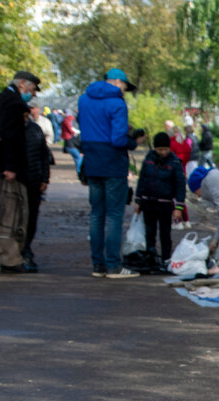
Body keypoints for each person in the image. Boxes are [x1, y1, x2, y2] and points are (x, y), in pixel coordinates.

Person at [79, 67, 146, 278]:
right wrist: (133, 141)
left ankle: (98, 266)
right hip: (113, 164)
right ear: (118, 82)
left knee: (96, 215)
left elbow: (91, 128)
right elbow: (117, 140)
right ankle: (114, 265)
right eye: (125, 87)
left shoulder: (84, 99)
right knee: (114, 216)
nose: (125, 91)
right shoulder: (117, 103)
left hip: (91, 162)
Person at [0, 70, 40, 274]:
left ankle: (10, 257)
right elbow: (11, 138)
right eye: (32, 89)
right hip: (6, 167)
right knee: (11, 213)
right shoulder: (14, 103)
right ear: (22, 84)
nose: (33, 94)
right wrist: (11, 167)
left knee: (2, 211)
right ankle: (11, 259)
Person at [134, 132, 185, 267]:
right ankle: (150, 258)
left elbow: (180, 185)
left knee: (165, 234)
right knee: (149, 232)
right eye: (159, 149)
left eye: (165, 149)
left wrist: (179, 207)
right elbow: (142, 180)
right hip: (148, 202)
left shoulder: (174, 162)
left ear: (169, 148)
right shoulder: (149, 159)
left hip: (165, 204)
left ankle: (166, 259)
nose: (163, 152)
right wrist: (138, 200)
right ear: (155, 149)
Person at [22, 104, 54, 269]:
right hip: (16, 182)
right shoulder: (9, 130)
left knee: (32, 217)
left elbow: (44, 155)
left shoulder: (35, 130)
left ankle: (26, 248)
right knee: (18, 218)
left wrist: (45, 178)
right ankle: (21, 251)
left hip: (34, 180)